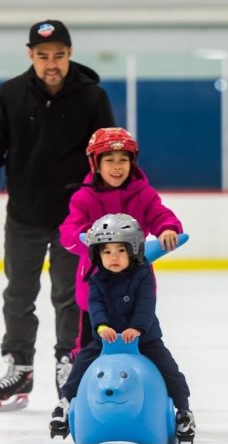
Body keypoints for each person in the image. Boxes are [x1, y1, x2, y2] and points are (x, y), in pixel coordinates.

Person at [0, 19, 115, 412]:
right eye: (42, 56)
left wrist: (105, 208)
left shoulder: (91, 97)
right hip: (24, 215)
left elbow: (107, 157)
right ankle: (20, 366)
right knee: (18, 293)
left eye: (59, 55)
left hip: (76, 217)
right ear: (30, 55)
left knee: (70, 296)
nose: (51, 63)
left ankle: (68, 362)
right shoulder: (10, 94)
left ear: (69, 54)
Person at [49, 213, 195, 444]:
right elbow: (94, 305)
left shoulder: (143, 274)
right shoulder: (96, 279)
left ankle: (184, 411)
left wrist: (137, 328)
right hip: (106, 339)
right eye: (106, 251)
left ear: (134, 250)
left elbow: (146, 304)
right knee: (82, 361)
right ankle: (64, 404)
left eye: (120, 251)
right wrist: (102, 327)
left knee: (168, 368)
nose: (113, 257)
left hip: (143, 338)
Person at [59, 127, 182, 358]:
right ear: (96, 163)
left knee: (145, 346)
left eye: (123, 160)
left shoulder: (143, 194)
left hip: (136, 287)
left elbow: (160, 214)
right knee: (88, 350)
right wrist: (83, 237)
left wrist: (167, 228)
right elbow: (68, 231)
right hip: (95, 288)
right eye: (110, 160)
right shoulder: (84, 197)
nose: (117, 166)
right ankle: (77, 391)